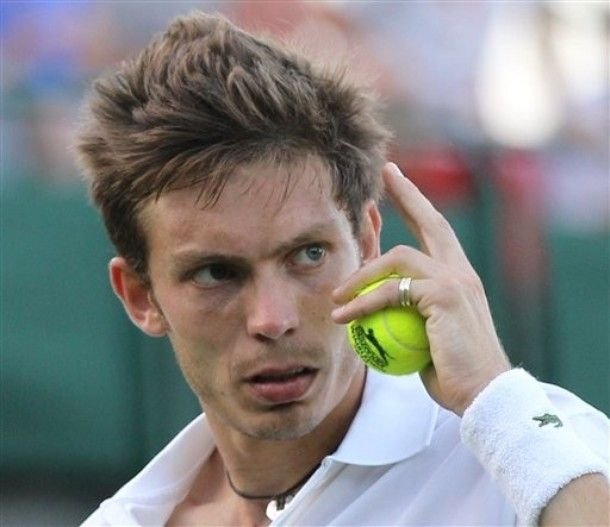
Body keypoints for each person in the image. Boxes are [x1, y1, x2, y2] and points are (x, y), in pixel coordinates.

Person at [76, 11, 609, 527]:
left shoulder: (542, 447)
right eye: (217, 273)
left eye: (308, 255)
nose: (272, 319)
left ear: (367, 241)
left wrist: (492, 398)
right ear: (141, 297)